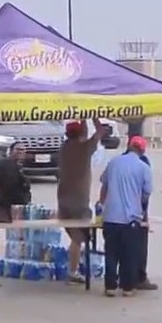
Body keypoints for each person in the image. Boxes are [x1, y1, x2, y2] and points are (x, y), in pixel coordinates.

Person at [98, 136, 152, 297]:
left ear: (128, 147)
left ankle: (110, 286)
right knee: (129, 254)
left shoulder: (114, 163)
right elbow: (146, 193)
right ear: (142, 150)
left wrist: (101, 205)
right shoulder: (143, 167)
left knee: (111, 253)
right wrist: (142, 211)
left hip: (111, 217)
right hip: (131, 218)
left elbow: (104, 185)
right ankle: (127, 287)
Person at [57, 118, 107, 284]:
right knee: (78, 239)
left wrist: (83, 118)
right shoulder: (85, 149)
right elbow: (99, 131)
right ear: (81, 134)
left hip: (63, 200)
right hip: (79, 202)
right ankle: (73, 271)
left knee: (75, 237)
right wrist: (92, 116)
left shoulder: (64, 149)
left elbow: (84, 135)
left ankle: (74, 268)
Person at [121, 137, 157, 290]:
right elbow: (146, 191)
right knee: (139, 246)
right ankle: (139, 277)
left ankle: (123, 276)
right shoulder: (143, 163)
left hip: (119, 210)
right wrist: (142, 209)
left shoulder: (119, 161)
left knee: (122, 246)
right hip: (137, 212)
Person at [0, 144, 31, 223]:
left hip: (21, 209)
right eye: (18, 149)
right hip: (9, 211)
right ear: (10, 151)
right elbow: (9, 186)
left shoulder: (21, 166)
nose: (21, 152)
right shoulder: (5, 166)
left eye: (23, 150)